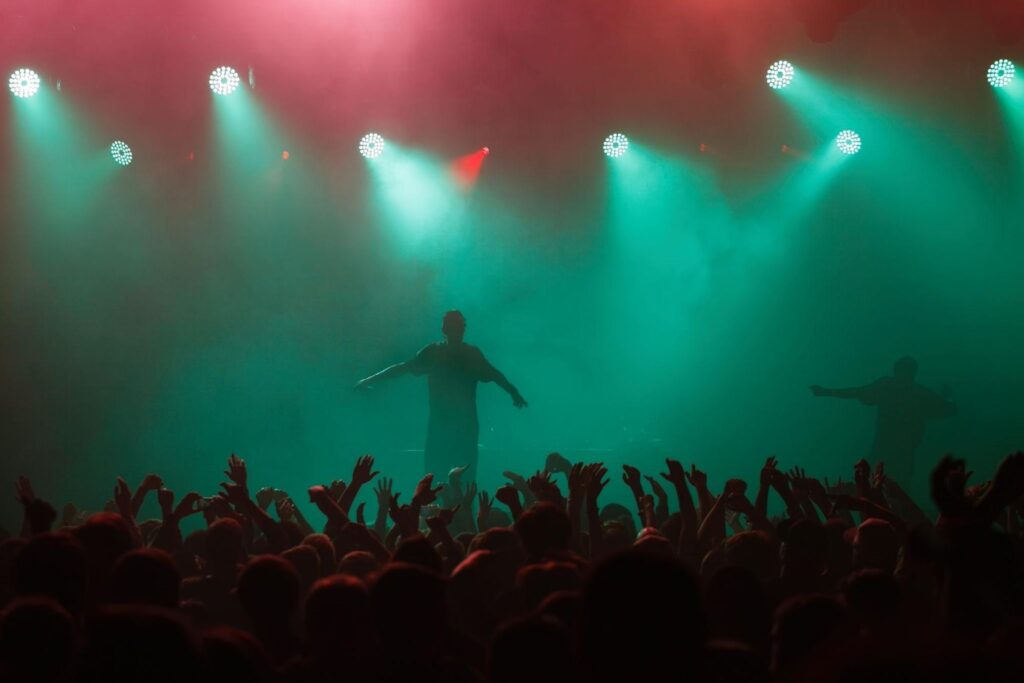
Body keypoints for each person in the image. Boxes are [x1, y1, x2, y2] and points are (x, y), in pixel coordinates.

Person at [355, 310, 527, 480]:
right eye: (457, 327)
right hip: (453, 426)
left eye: (459, 327)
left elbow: (403, 368)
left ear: (444, 329)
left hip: (451, 426)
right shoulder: (452, 353)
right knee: (452, 478)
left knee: (438, 479)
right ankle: (454, 508)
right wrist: (514, 392)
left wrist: (369, 380)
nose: (459, 330)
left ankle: (439, 509)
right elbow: (495, 375)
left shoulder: (442, 353)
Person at [810, 356, 955, 485]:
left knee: (883, 481)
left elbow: (857, 392)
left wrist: (826, 392)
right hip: (894, 446)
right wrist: (826, 392)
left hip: (895, 446)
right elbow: (946, 408)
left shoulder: (894, 387)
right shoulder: (913, 391)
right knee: (888, 482)